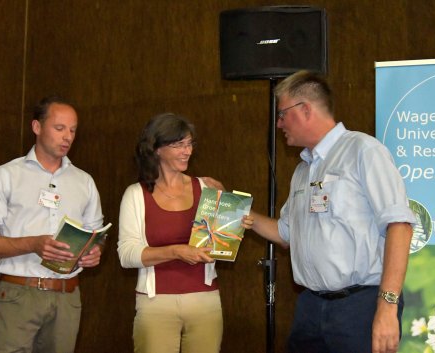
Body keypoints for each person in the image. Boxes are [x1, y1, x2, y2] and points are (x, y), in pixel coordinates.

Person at [250, 71, 416, 353]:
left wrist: (387, 306)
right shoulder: (303, 170)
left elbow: (399, 226)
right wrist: (231, 209)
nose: (278, 124)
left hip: (359, 305)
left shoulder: (363, 150)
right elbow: (284, 233)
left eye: (282, 114)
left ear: (305, 109)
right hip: (311, 307)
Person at [0, 95, 105, 353]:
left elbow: (96, 235)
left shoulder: (84, 181)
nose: (68, 137)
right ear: (37, 127)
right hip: (20, 294)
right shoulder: (6, 176)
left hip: (67, 297)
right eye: (59, 128)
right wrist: (32, 244)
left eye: (73, 130)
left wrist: (94, 252)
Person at [117, 113, 252, 353]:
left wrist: (234, 223)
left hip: (205, 300)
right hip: (155, 303)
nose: (186, 151)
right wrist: (177, 252)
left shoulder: (207, 187)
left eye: (189, 144)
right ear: (156, 149)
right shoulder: (135, 195)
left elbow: (221, 245)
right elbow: (127, 255)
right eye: (178, 145)